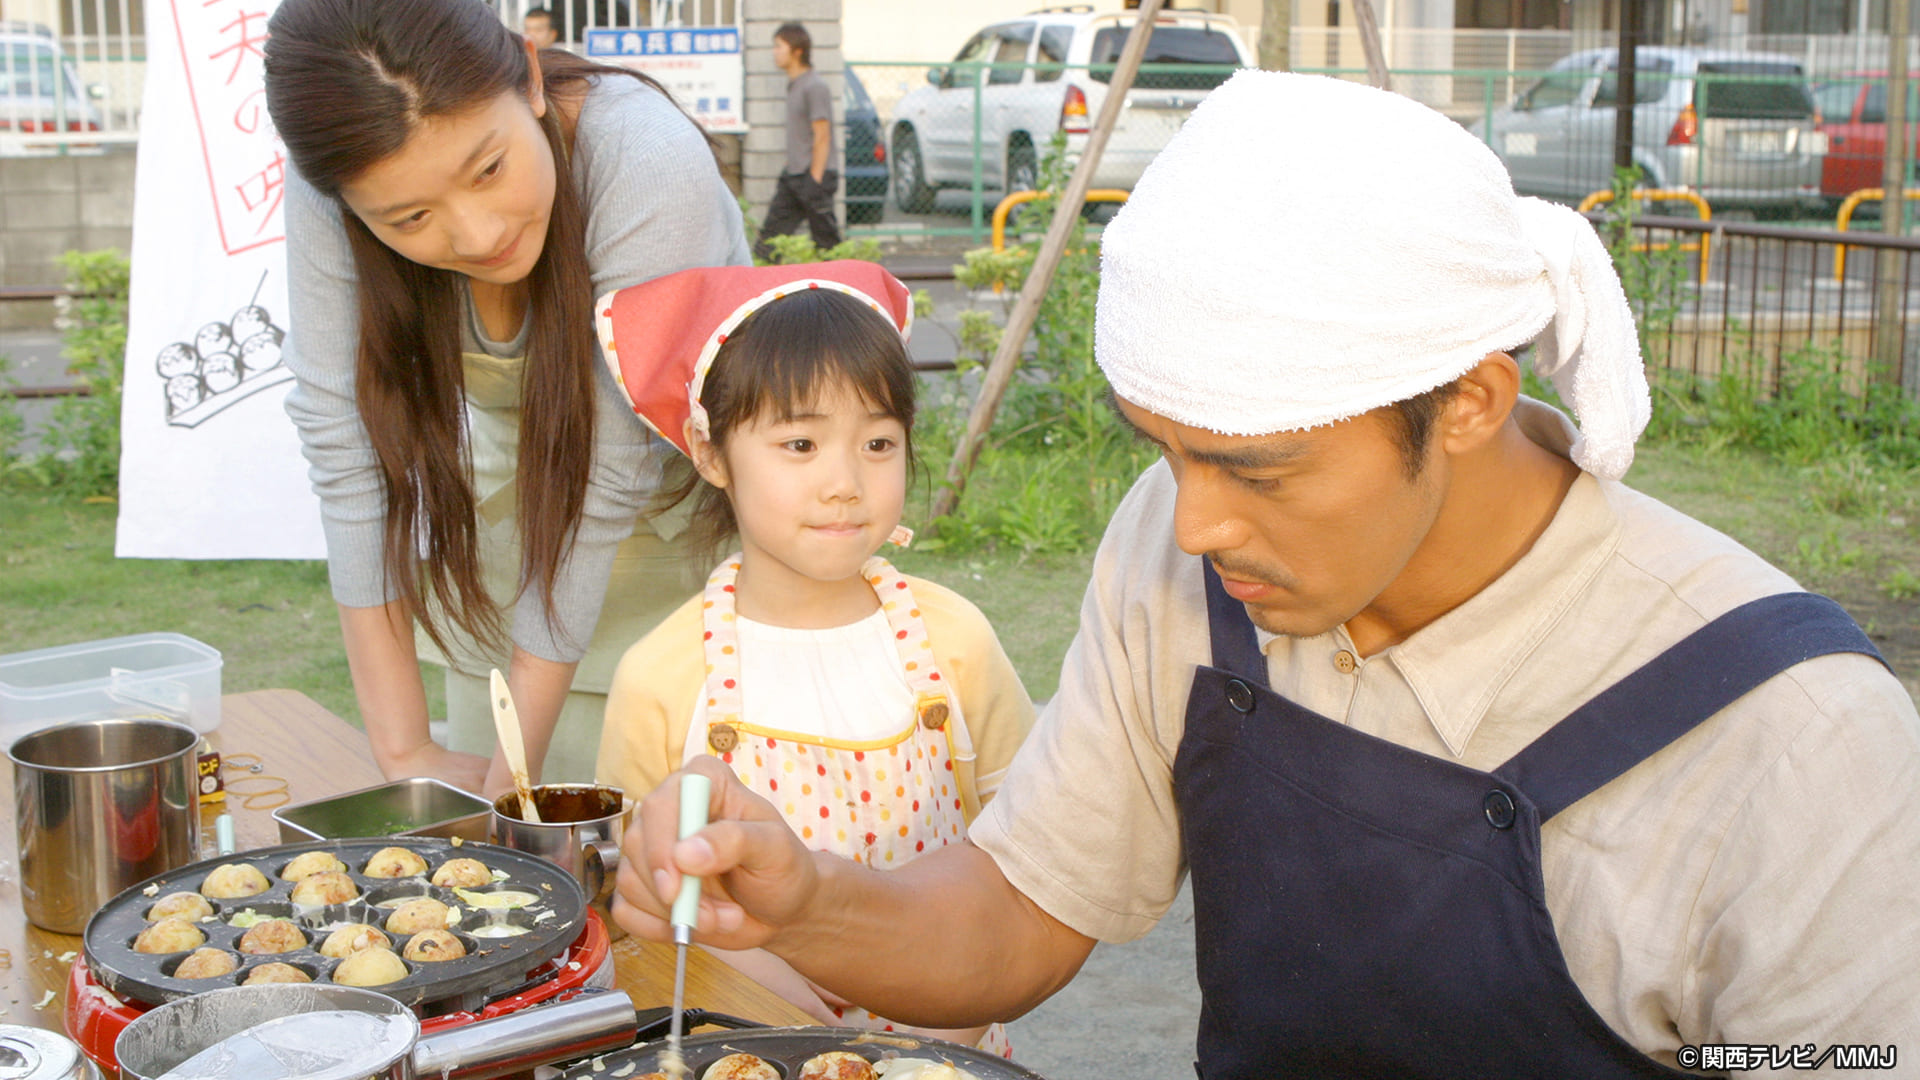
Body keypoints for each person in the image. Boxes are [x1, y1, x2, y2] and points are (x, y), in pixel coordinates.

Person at [612, 71, 1920, 1076]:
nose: (1191, 527)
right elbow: (1018, 913)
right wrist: (810, 898)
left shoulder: (1802, 744)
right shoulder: (1178, 547)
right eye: (1165, 454)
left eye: (1261, 470)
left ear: (1469, 400)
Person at [263, 0, 750, 795]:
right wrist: (404, 751)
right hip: (503, 567)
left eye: (488, 169)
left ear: (527, 76)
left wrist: (509, 783)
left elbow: (604, 474)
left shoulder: (644, 156)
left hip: (678, 562)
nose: (478, 232)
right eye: (412, 218)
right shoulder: (336, 187)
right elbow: (344, 447)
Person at [594, 261, 1035, 1056]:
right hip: (750, 1049)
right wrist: (780, 1007)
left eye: (877, 442)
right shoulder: (661, 677)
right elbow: (650, 904)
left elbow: (1028, 847)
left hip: (951, 1045)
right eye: (800, 442)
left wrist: (946, 1025)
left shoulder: (955, 641)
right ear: (710, 451)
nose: (844, 483)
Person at [755, 22, 840, 261]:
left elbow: (822, 135)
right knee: (769, 243)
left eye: (779, 46)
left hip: (813, 177)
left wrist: (815, 179)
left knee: (827, 247)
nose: (775, 52)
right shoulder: (795, 85)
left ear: (797, 50)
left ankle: (840, 295)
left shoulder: (814, 86)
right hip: (794, 176)